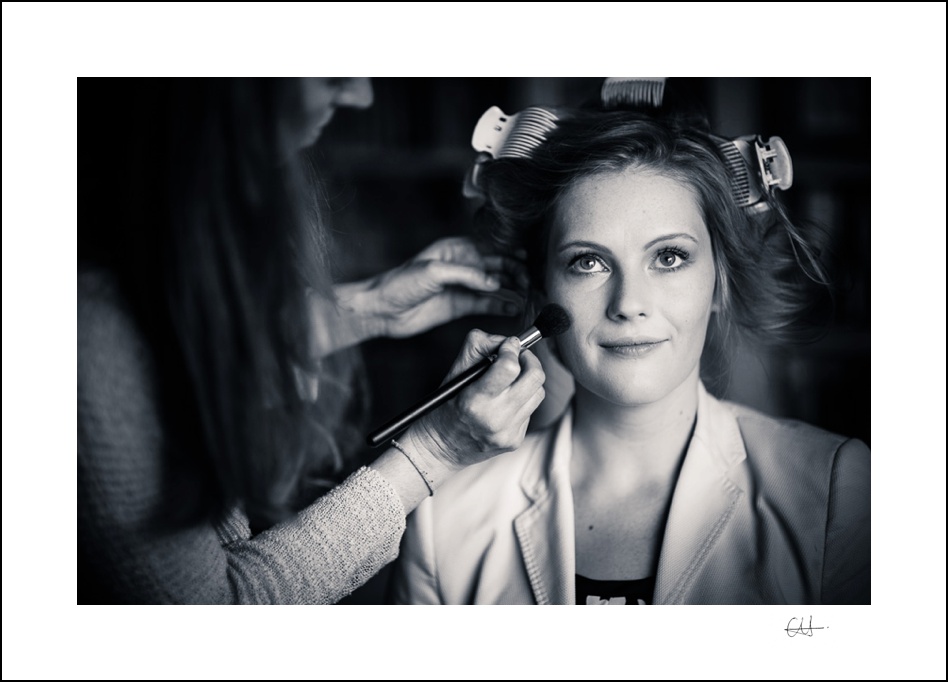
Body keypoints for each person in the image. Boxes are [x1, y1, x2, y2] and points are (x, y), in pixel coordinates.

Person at [78, 77, 546, 604]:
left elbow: (172, 344)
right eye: (329, 66)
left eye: (664, 258)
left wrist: (369, 306)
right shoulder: (87, 339)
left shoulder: (159, 243)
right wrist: (432, 451)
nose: (360, 96)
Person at [388, 100, 871, 605]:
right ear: (539, 289)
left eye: (669, 257)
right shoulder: (442, 517)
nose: (629, 304)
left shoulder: (833, 489)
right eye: (589, 262)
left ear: (720, 284)